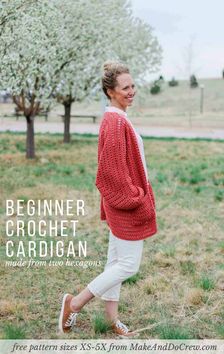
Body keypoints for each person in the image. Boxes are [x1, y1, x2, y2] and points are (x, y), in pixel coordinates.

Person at [58, 61, 157, 337]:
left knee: (115, 262)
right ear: (111, 91)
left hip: (125, 203)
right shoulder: (114, 121)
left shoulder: (120, 117)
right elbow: (111, 172)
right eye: (125, 88)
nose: (132, 91)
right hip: (126, 205)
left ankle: (111, 319)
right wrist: (136, 196)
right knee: (128, 265)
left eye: (133, 85)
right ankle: (74, 303)